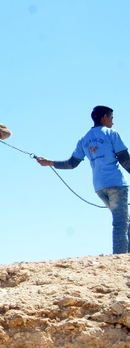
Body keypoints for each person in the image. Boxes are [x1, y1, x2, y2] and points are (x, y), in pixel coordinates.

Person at [36, 105, 130, 254]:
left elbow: (72, 163)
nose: (113, 122)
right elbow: (125, 159)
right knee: (120, 223)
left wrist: (49, 162)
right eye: (111, 118)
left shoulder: (84, 139)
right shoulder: (112, 133)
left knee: (124, 220)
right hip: (117, 184)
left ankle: (125, 256)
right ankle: (120, 257)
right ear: (104, 117)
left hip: (100, 187)